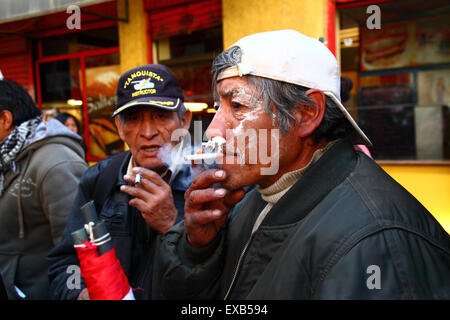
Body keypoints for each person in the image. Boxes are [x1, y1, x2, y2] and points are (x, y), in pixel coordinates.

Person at [155, 30, 450, 299]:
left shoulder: (375, 242)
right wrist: (198, 248)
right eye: (220, 107)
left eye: (238, 106)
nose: (212, 131)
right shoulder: (256, 194)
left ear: (307, 114)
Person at [47, 64, 193, 300]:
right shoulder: (100, 179)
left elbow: (226, 278)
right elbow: (66, 261)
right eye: (133, 118)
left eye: (161, 116)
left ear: (184, 121)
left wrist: (173, 224)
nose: (147, 131)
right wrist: (81, 294)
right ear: (119, 128)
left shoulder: (209, 184)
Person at [0, 79, 88, 299]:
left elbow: (77, 249)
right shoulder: (6, 159)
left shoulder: (57, 163)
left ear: (5, 119)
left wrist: (73, 294)